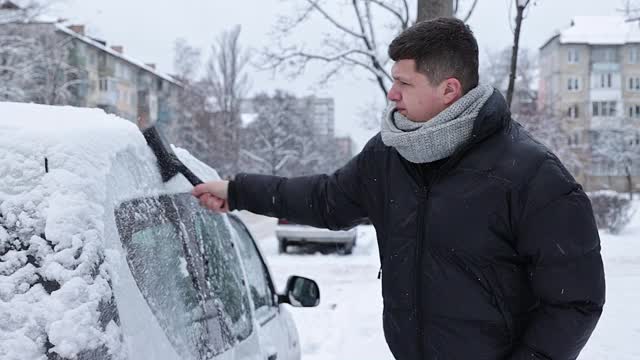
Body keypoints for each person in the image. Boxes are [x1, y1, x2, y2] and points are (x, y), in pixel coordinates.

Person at [192, 17, 605, 360]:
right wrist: (237, 192)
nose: (392, 94)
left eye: (404, 84)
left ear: (448, 90)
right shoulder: (390, 155)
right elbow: (325, 199)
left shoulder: (532, 175)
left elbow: (575, 301)